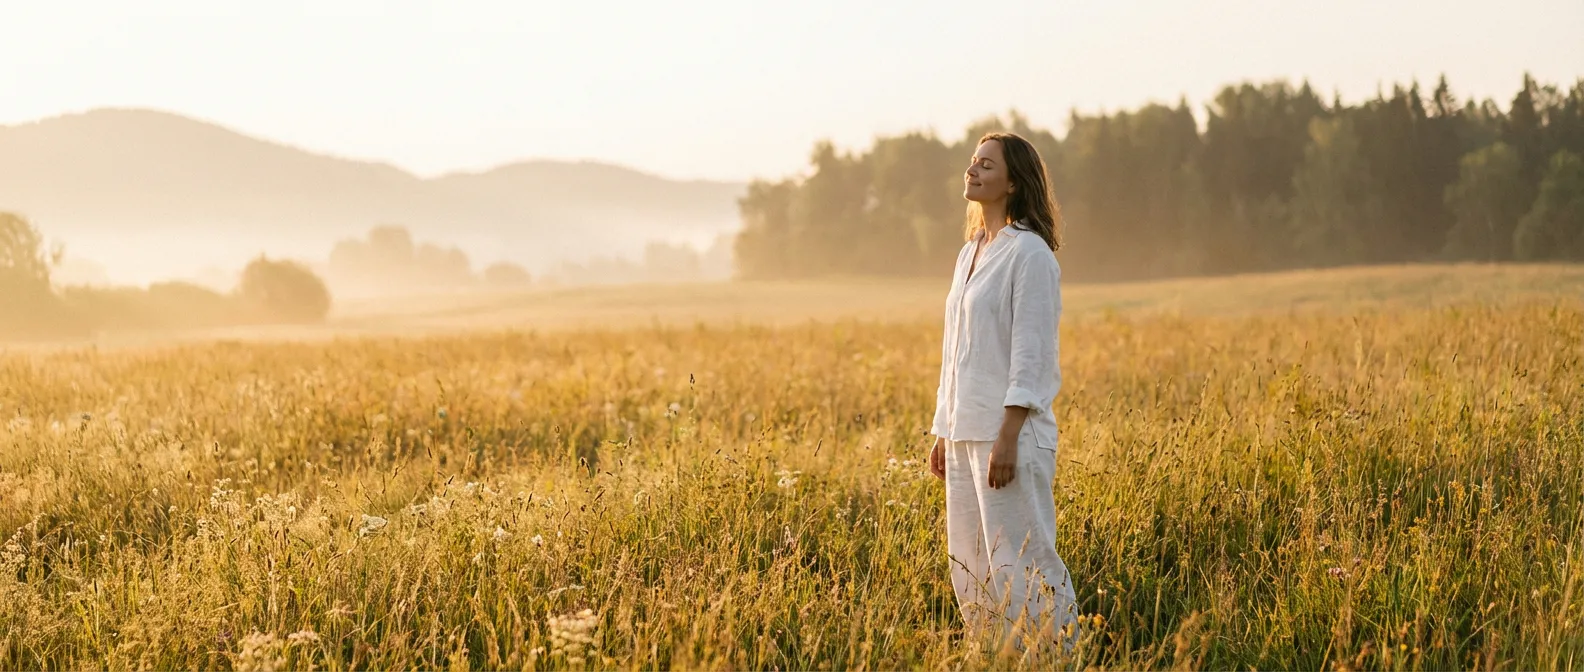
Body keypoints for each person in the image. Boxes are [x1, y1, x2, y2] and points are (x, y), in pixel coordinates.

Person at [927, 132, 1078, 653]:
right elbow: (956, 350)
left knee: (1023, 559)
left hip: (1007, 435)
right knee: (969, 564)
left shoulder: (1029, 255)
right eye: (972, 162)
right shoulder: (969, 253)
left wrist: (1008, 435)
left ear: (1013, 182)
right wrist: (942, 429)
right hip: (964, 432)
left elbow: (1030, 352)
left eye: (986, 165)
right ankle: (996, 658)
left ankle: (1059, 658)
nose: (972, 171)